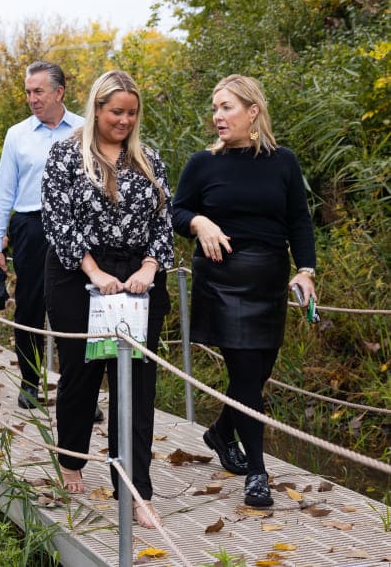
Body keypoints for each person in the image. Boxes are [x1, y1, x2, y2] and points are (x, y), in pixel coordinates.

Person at [172, 74, 317, 508]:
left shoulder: (283, 161)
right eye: (215, 108)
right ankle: (258, 472)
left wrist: (306, 270)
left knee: (255, 374)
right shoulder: (203, 164)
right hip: (221, 280)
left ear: (253, 112)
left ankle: (219, 431)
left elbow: (299, 221)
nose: (217, 116)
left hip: (269, 280)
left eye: (227, 107)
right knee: (247, 378)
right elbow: (176, 212)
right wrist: (200, 222)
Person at [42, 70, 173, 528]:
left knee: (136, 384)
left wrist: (150, 267)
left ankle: (135, 488)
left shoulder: (149, 158)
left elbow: (163, 220)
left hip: (137, 279)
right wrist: (95, 272)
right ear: (97, 108)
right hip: (78, 274)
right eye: (116, 111)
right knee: (81, 373)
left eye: (132, 113)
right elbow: (58, 221)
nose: (124, 120)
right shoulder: (64, 156)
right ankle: (72, 458)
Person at [0, 61, 90, 411]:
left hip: (77, 228)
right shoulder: (18, 134)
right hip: (31, 226)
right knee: (30, 306)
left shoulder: (84, 128)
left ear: (59, 92)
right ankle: (30, 383)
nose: (31, 98)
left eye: (38, 91)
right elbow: (3, 192)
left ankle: (79, 391)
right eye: (28, 92)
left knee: (78, 309)